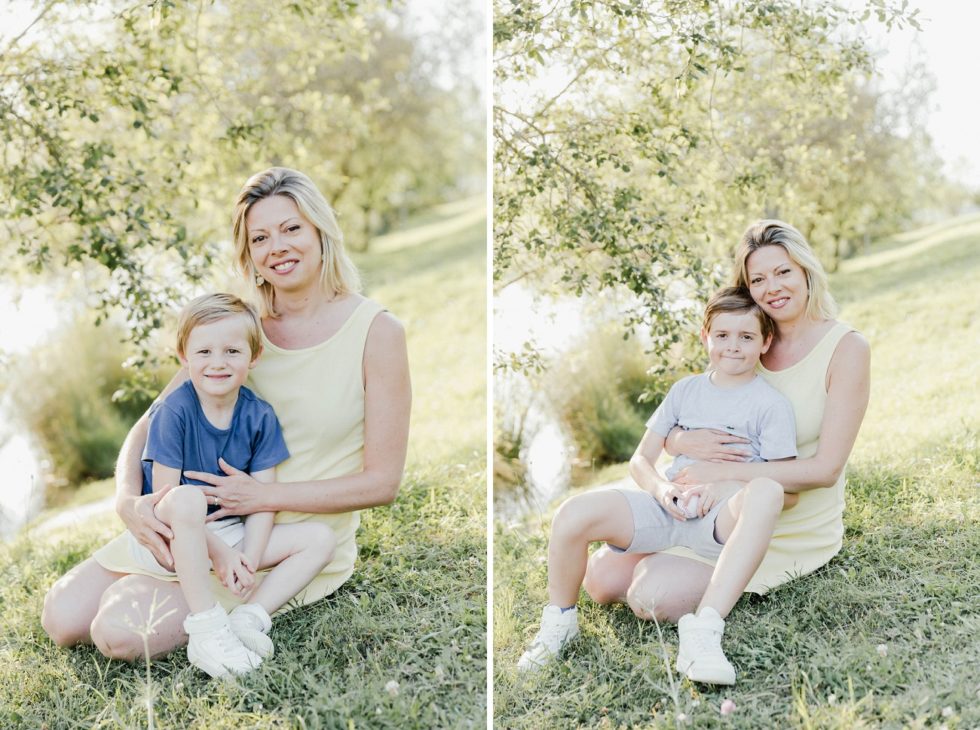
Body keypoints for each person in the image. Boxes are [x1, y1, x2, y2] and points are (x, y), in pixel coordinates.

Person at [41, 167, 411, 663]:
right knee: (62, 618)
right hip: (203, 523)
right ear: (250, 253)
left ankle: (219, 602)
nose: (277, 246)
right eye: (260, 237)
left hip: (281, 543)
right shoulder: (238, 329)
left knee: (118, 633)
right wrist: (128, 499)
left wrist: (265, 495)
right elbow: (151, 421)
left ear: (322, 231)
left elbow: (382, 483)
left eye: (292, 228)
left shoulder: (378, 332)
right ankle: (169, 569)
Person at [579, 220, 870, 676]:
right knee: (598, 580)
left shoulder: (846, 348)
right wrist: (678, 440)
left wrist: (721, 475)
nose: (772, 288)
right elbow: (699, 407)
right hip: (708, 503)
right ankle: (675, 547)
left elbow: (826, 468)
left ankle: (694, 595)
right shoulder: (746, 337)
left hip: (783, 515)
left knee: (650, 597)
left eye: (783, 272)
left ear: (806, 271)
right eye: (758, 279)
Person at [518, 287, 798, 684]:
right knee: (572, 514)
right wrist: (661, 490)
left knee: (767, 490)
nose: (733, 346)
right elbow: (641, 460)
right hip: (669, 505)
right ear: (706, 336)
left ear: (765, 341)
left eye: (747, 337)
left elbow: (787, 492)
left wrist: (728, 484)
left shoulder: (770, 405)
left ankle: (704, 630)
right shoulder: (685, 390)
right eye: (722, 335)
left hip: (719, 521)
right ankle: (559, 623)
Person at [123, 292, 338, 679]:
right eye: (204, 352)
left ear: (253, 356)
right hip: (175, 538)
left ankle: (248, 617)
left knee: (320, 538)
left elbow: (262, 500)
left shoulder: (259, 415)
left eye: (232, 351)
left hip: (229, 535)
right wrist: (221, 554)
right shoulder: (174, 412)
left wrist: (248, 560)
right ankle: (207, 629)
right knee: (185, 498)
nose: (218, 363)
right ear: (184, 357)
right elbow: (164, 500)